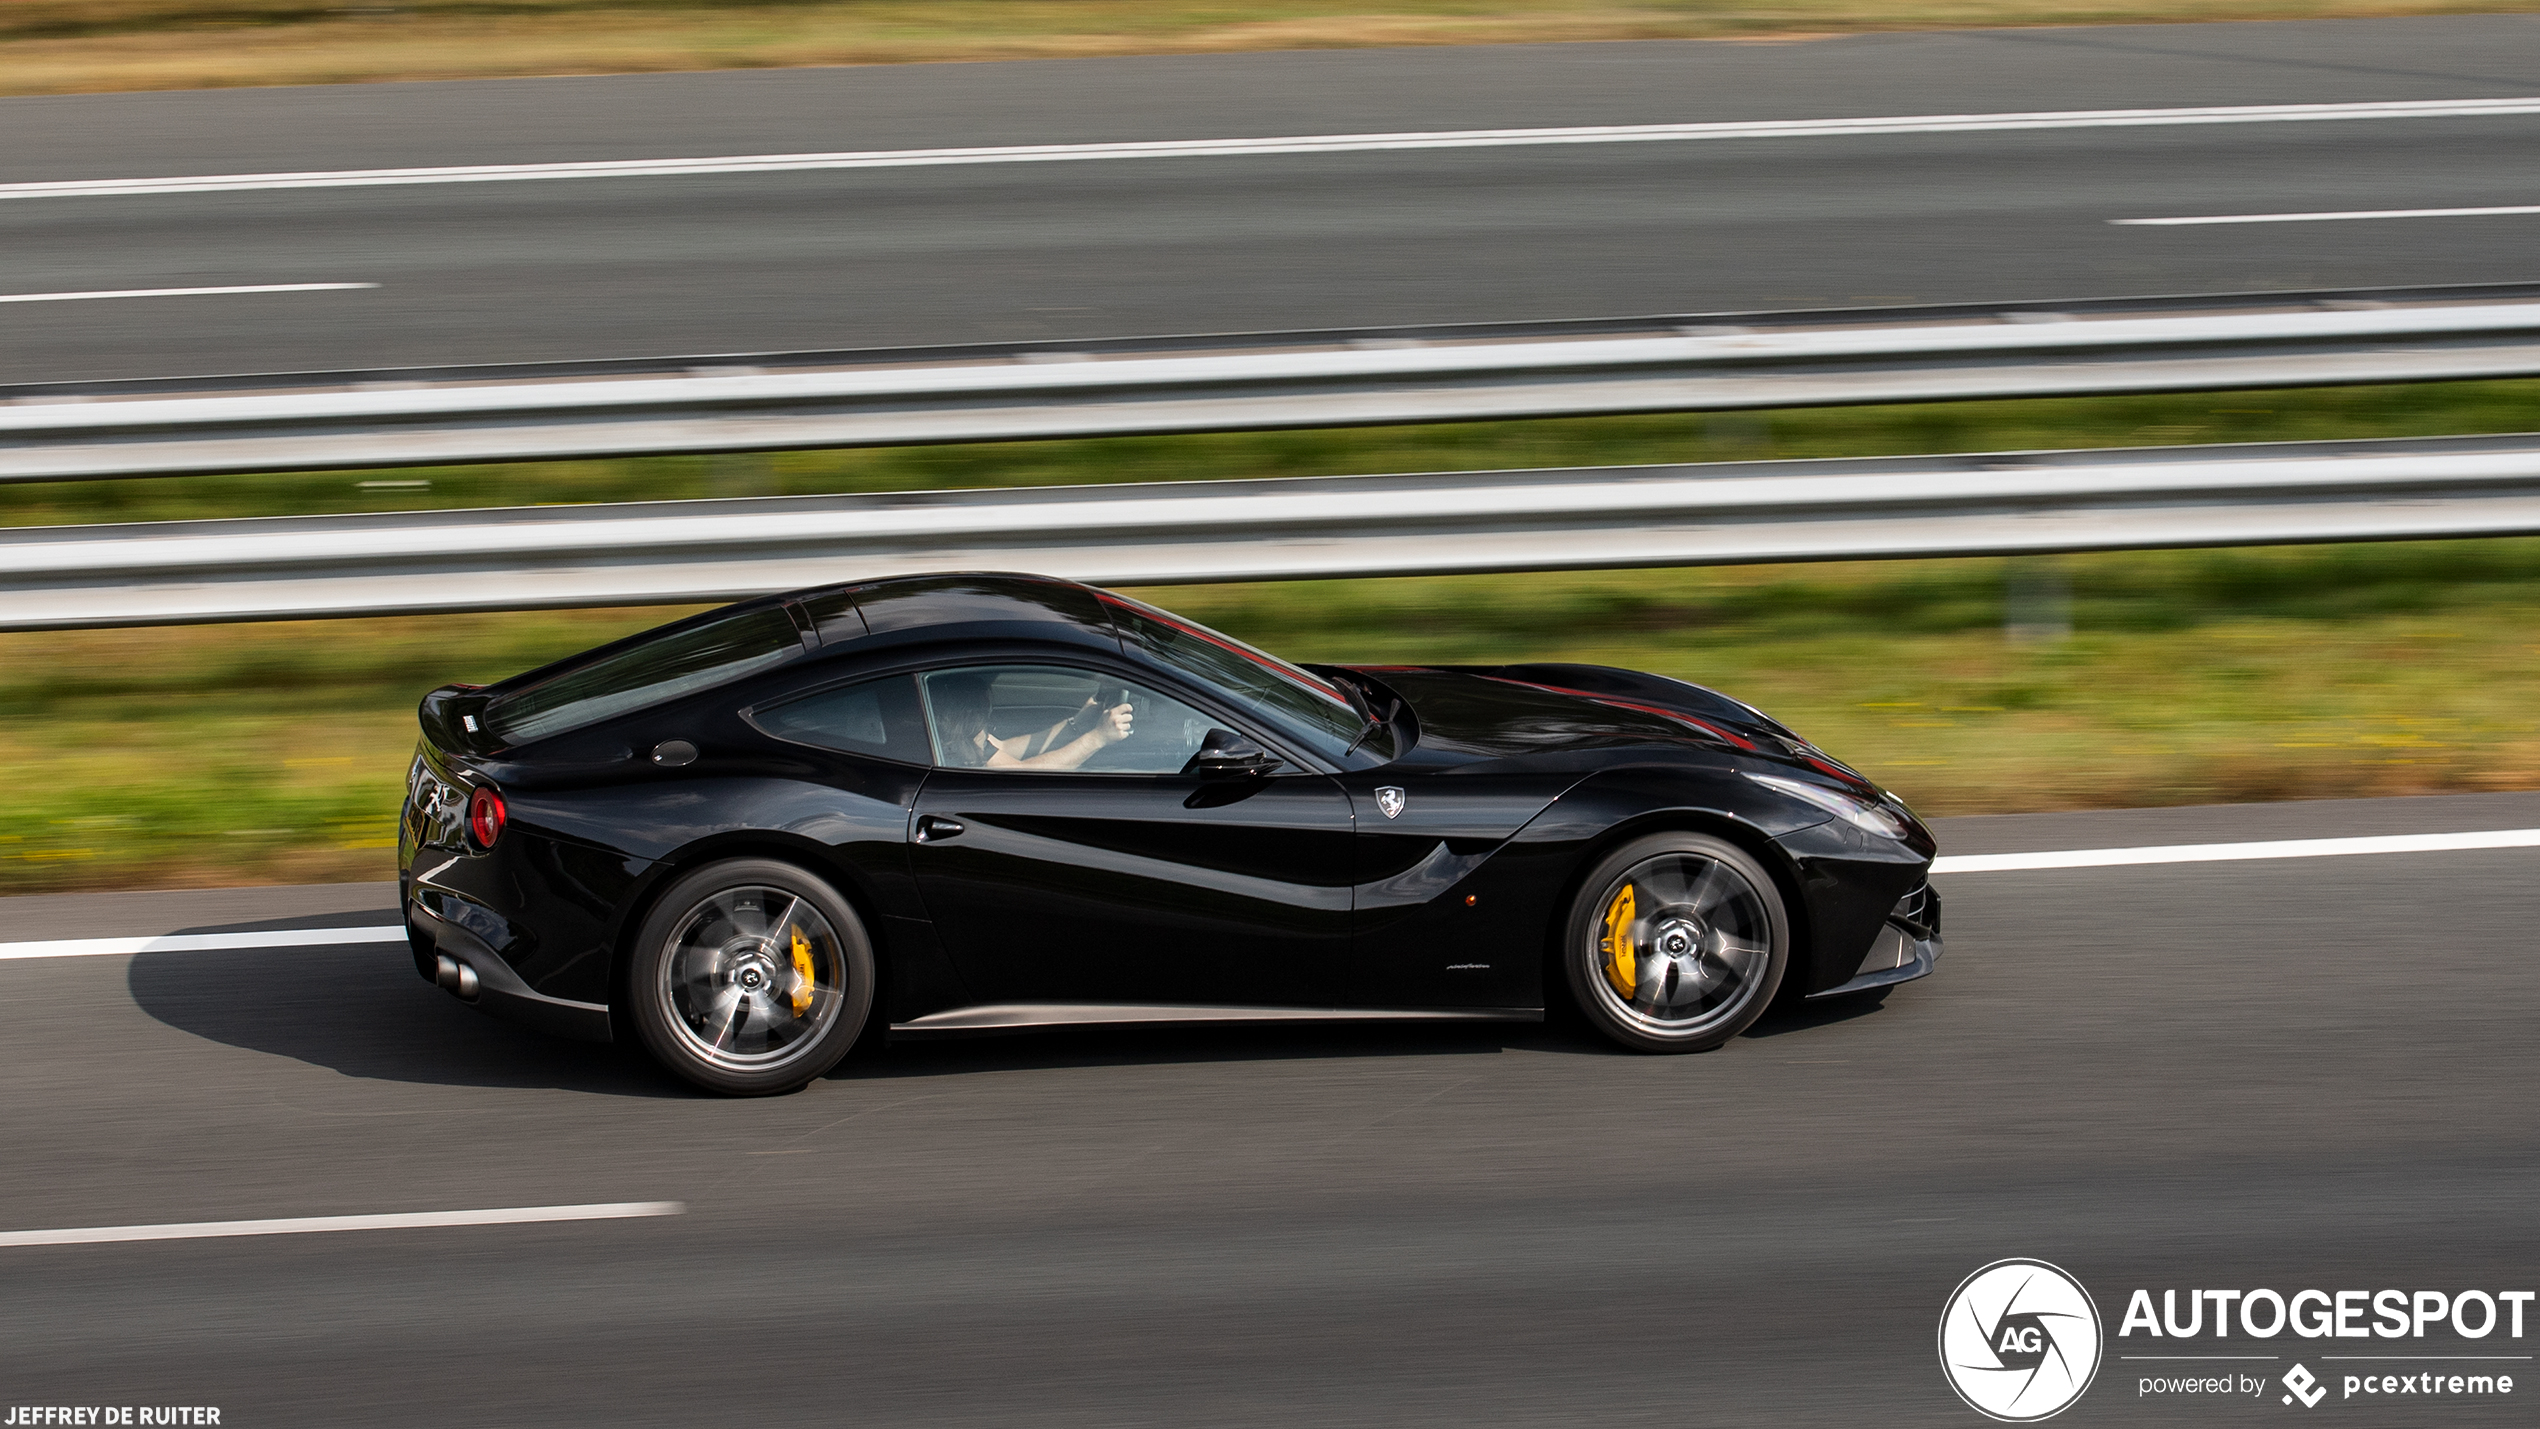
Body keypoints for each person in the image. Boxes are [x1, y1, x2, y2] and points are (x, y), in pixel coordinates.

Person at [930, 675, 1134, 771]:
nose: (986, 721)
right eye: (983, 714)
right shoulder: (950, 746)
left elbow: (1005, 748)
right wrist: (1097, 738)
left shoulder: (960, 737)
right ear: (965, 717)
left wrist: (1078, 725)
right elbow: (1022, 773)